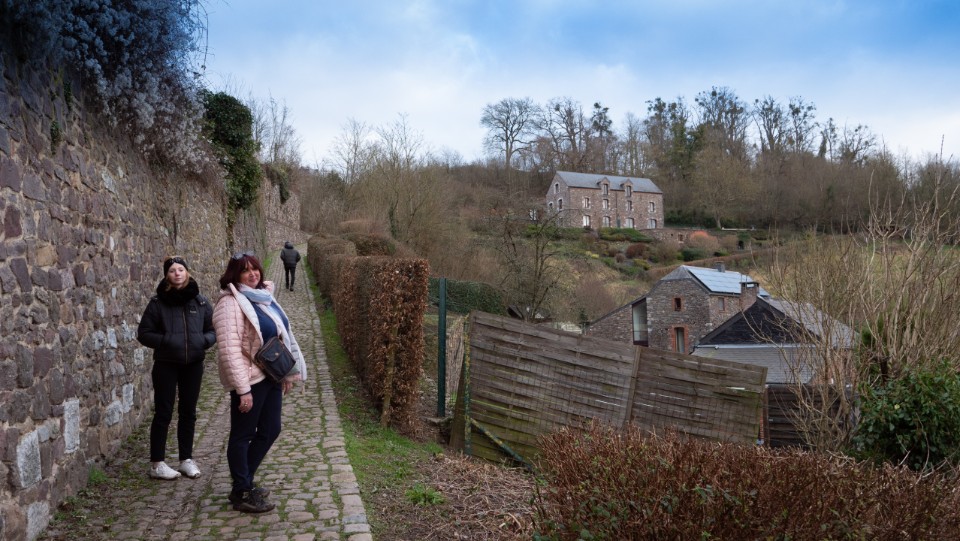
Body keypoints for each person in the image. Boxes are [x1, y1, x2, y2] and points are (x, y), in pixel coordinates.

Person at [213, 251, 306, 513]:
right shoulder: (230, 303)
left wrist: (285, 373)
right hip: (249, 379)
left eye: (254, 269)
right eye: (245, 270)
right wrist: (243, 389)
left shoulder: (263, 297)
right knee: (243, 435)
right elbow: (229, 350)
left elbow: (280, 335)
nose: (252, 274)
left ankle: (242, 482)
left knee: (271, 429)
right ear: (235, 275)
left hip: (271, 375)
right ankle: (242, 490)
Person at [137, 255, 216, 480]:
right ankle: (157, 464)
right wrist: (167, 341)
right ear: (167, 276)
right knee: (163, 412)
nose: (177, 273)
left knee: (188, 412)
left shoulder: (200, 302)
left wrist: (203, 341)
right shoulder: (157, 303)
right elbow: (144, 333)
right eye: (172, 270)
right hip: (166, 364)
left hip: (193, 364)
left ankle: (186, 460)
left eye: (181, 269)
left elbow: (212, 329)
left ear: (187, 272)